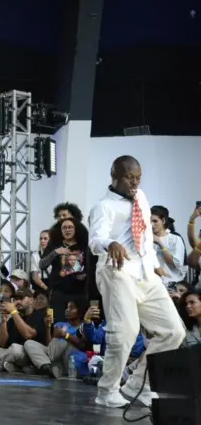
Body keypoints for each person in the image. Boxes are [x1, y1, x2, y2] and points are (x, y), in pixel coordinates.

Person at [88, 155, 185, 408]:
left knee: (173, 331)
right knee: (125, 331)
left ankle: (138, 385)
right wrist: (110, 243)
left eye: (138, 178)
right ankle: (107, 391)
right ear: (114, 176)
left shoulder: (141, 196)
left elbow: (145, 232)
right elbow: (95, 240)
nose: (134, 183)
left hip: (144, 272)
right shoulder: (103, 207)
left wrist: (154, 265)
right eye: (129, 178)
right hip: (116, 270)